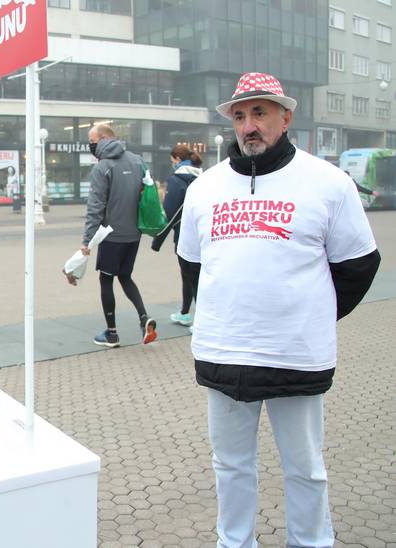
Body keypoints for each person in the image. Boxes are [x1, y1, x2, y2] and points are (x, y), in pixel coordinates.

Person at [177, 72, 381, 548]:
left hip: (296, 353)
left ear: (286, 117)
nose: (249, 125)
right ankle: (235, 542)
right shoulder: (204, 189)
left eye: (261, 113)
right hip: (223, 351)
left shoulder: (328, 183)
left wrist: (308, 312)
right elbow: (192, 265)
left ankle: (310, 542)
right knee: (229, 465)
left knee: (305, 467)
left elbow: (359, 264)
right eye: (241, 115)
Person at [82, 123, 157, 347]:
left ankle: (112, 334)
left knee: (106, 280)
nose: (91, 145)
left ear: (105, 138)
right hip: (134, 235)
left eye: (92, 140)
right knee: (125, 276)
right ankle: (144, 317)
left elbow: (95, 208)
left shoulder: (102, 167)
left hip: (111, 236)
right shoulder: (137, 161)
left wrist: (86, 242)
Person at [151, 145, 203, 329]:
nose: (172, 164)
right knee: (192, 276)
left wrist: (157, 239)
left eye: (172, 161)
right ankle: (184, 313)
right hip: (204, 235)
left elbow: (170, 212)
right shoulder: (204, 177)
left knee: (191, 277)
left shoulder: (176, 179)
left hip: (184, 236)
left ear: (178, 160)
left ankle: (200, 322)